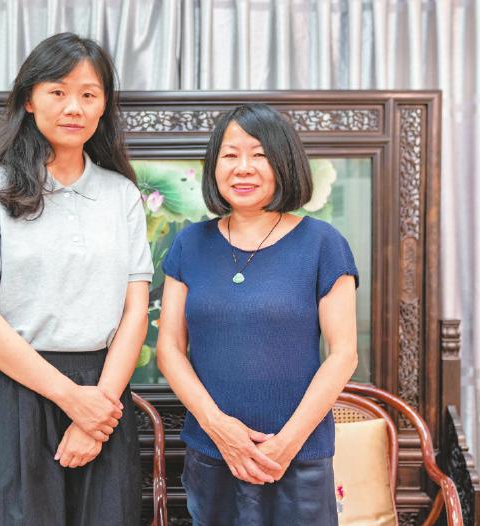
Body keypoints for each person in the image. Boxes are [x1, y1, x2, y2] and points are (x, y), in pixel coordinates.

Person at [0, 32, 152, 525]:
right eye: (58, 91)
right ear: (29, 99)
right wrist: (70, 399)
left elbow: (135, 312)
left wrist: (97, 409)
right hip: (16, 390)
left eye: (89, 94)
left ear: (104, 105)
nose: (74, 107)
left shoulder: (121, 195)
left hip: (104, 394)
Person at [156, 103, 359, 525]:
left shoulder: (323, 243)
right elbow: (170, 348)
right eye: (230, 155)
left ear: (284, 163)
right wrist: (218, 428)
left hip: (299, 457)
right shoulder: (190, 243)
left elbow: (344, 354)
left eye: (260, 155)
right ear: (214, 166)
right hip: (211, 452)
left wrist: (286, 444)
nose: (243, 168)